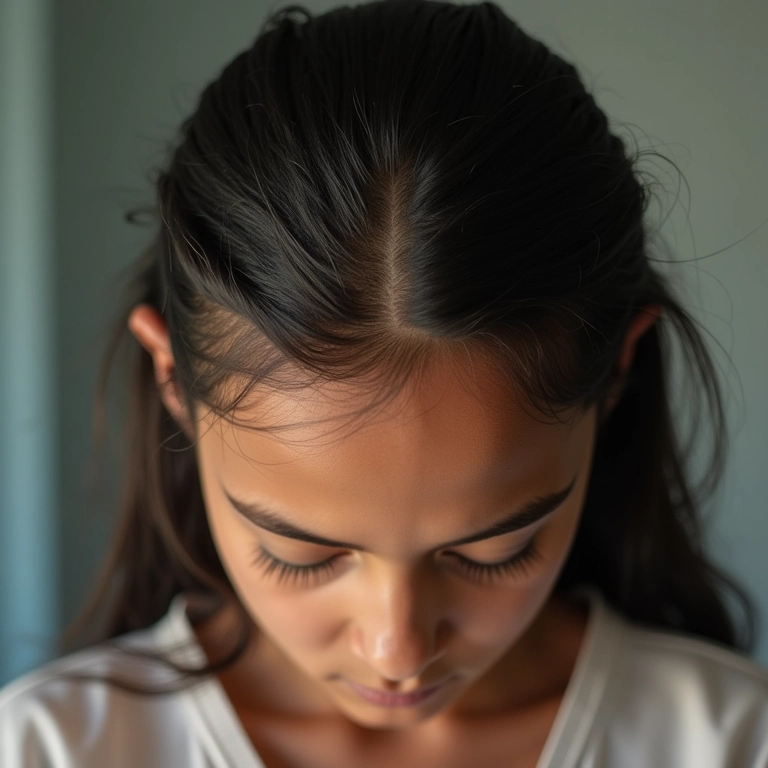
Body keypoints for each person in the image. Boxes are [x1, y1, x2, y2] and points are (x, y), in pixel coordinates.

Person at [1, 0, 767, 765]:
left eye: (497, 552)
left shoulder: (732, 742)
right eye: (297, 556)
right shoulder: (49, 749)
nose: (397, 651)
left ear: (617, 371)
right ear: (174, 381)